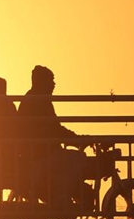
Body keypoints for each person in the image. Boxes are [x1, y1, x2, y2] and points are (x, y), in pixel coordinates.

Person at [16, 65, 84, 210]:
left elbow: (54, 128)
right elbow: (54, 128)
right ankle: (61, 198)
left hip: (39, 151)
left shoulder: (34, 99)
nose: (54, 84)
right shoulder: (39, 101)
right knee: (78, 158)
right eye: (50, 80)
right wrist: (76, 139)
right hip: (41, 152)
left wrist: (73, 138)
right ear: (41, 82)